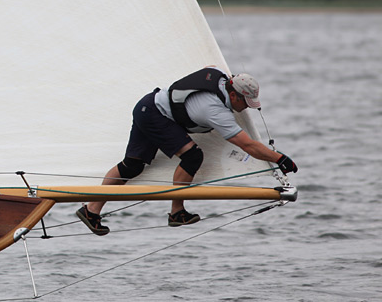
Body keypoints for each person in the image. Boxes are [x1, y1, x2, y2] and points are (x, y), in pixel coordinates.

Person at [76, 67, 298, 236]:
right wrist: (279, 158)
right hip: (154, 113)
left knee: (131, 166)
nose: (246, 107)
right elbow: (247, 145)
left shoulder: (223, 79)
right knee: (192, 156)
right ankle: (176, 213)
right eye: (245, 102)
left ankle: (91, 211)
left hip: (146, 105)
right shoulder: (215, 109)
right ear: (234, 95)